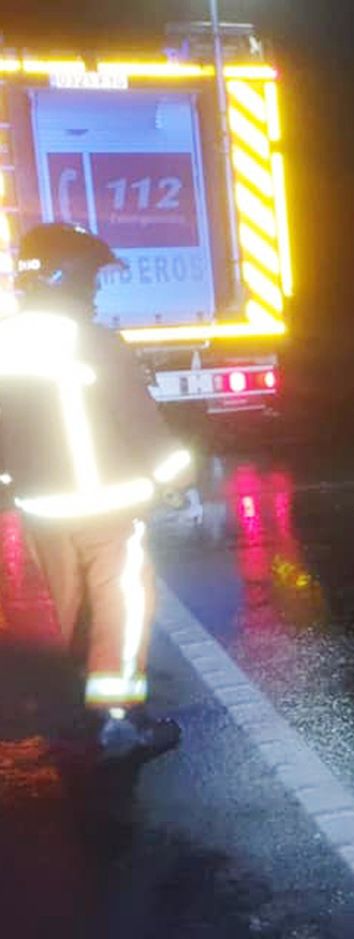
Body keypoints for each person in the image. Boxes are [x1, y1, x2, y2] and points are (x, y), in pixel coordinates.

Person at [0, 223, 196, 762]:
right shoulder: (94, 342)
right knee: (122, 604)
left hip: (42, 508)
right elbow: (140, 424)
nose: (96, 290)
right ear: (71, 277)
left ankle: (76, 712)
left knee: (70, 610)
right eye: (92, 279)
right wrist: (176, 479)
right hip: (108, 506)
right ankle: (118, 721)